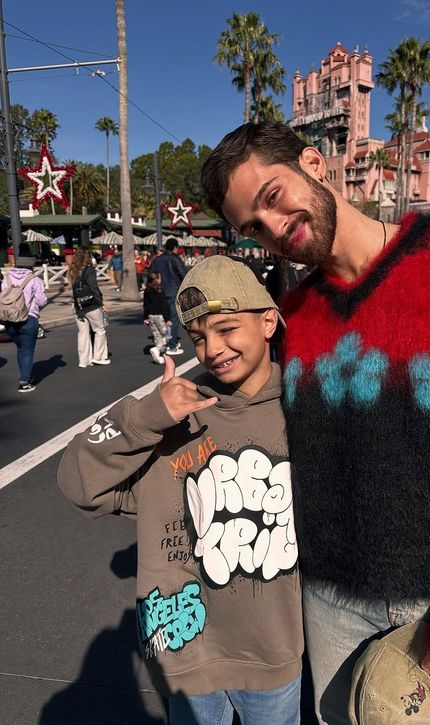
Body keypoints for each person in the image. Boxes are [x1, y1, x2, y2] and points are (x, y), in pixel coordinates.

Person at [200, 122, 430, 724]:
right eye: (252, 228)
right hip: (328, 606)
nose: (273, 229)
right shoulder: (295, 319)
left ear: (315, 164)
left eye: (271, 197)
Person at [57, 254, 303, 725]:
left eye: (227, 329)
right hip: (188, 653)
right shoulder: (172, 417)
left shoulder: (307, 409)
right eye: (198, 338)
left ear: (269, 320)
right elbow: (77, 483)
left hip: (273, 653)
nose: (213, 349)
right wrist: (145, 416)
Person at [0, 250, 47, 392]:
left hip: (9, 319)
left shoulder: (6, 279)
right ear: (31, 265)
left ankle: (26, 376)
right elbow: (41, 301)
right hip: (28, 319)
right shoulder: (34, 280)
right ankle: (24, 381)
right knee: (27, 350)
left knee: (20, 349)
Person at [68, 248, 110, 367]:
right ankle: (99, 356)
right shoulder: (89, 270)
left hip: (77, 305)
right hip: (91, 304)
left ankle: (84, 360)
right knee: (99, 330)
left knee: (82, 333)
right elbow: (93, 287)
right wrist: (101, 303)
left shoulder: (72, 270)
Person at [151, 237, 187, 355]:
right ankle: (172, 344)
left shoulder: (157, 259)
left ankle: (162, 343)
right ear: (175, 247)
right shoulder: (175, 259)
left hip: (159, 291)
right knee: (173, 319)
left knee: (161, 318)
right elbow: (183, 274)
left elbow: (151, 275)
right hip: (173, 290)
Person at [143, 271, 172, 364]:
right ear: (156, 279)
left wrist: (145, 318)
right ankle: (157, 349)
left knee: (157, 336)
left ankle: (160, 355)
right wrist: (167, 319)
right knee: (166, 335)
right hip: (160, 316)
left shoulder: (147, 291)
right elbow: (164, 306)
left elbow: (145, 305)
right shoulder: (160, 290)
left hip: (151, 316)